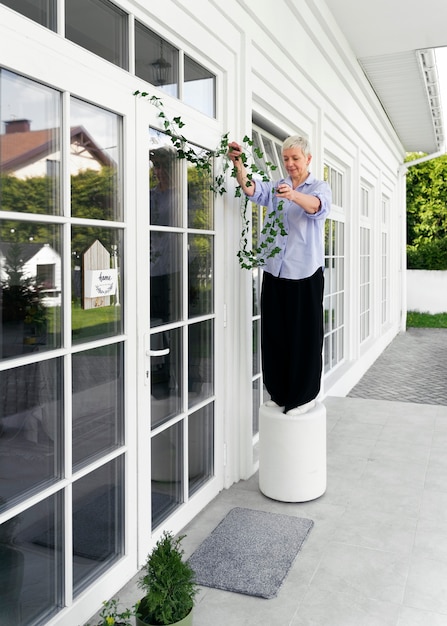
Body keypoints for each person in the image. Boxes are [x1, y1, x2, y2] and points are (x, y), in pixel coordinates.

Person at [228, 135, 331, 415]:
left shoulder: (319, 187)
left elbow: (317, 207)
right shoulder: (277, 186)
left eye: (295, 158)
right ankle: (280, 391)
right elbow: (250, 189)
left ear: (308, 159)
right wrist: (239, 165)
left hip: (305, 274)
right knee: (274, 335)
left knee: (304, 338)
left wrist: (293, 195)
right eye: (286, 159)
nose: (290, 164)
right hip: (274, 271)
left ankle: (303, 396)